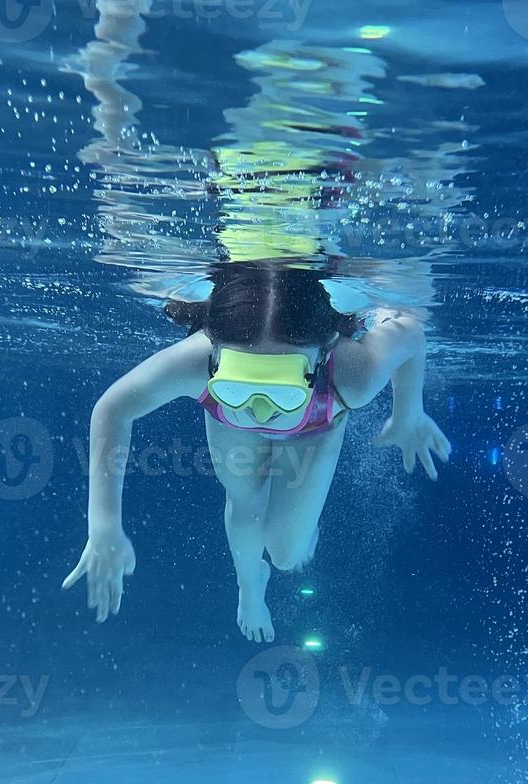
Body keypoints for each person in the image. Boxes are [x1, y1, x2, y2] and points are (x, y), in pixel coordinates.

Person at [62, 258, 450, 641]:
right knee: (244, 502)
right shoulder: (196, 361)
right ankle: (249, 588)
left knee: (286, 554)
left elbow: (411, 333)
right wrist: (104, 527)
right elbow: (112, 409)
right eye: (237, 384)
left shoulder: (355, 373)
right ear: (214, 354)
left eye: (282, 389)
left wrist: (409, 413)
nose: (257, 409)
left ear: (326, 350)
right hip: (232, 427)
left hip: (315, 424)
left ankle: (288, 534)